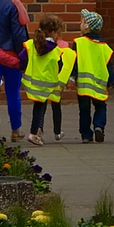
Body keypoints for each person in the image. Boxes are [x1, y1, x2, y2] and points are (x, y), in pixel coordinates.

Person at [0, 0, 32, 139]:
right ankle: (15, 129)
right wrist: (23, 55)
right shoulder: (13, 5)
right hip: (10, 54)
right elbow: (18, 33)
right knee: (13, 93)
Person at [23, 15, 72, 145]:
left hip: (32, 82)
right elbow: (59, 65)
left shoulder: (31, 44)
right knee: (40, 108)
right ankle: (34, 133)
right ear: (53, 32)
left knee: (38, 108)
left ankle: (37, 131)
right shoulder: (55, 49)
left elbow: (22, 59)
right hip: (47, 84)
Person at [69, 10, 112, 142]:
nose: (80, 24)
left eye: (82, 21)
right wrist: (111, 81)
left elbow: (74, 61)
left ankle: (86, 135)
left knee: (84, 109)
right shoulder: (105, 46)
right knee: (100, 106)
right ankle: (99, 126)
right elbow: (109, 65)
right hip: (99, 84)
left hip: (84, 84)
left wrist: (72, 76)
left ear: (87, 26)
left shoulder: (79, 42)